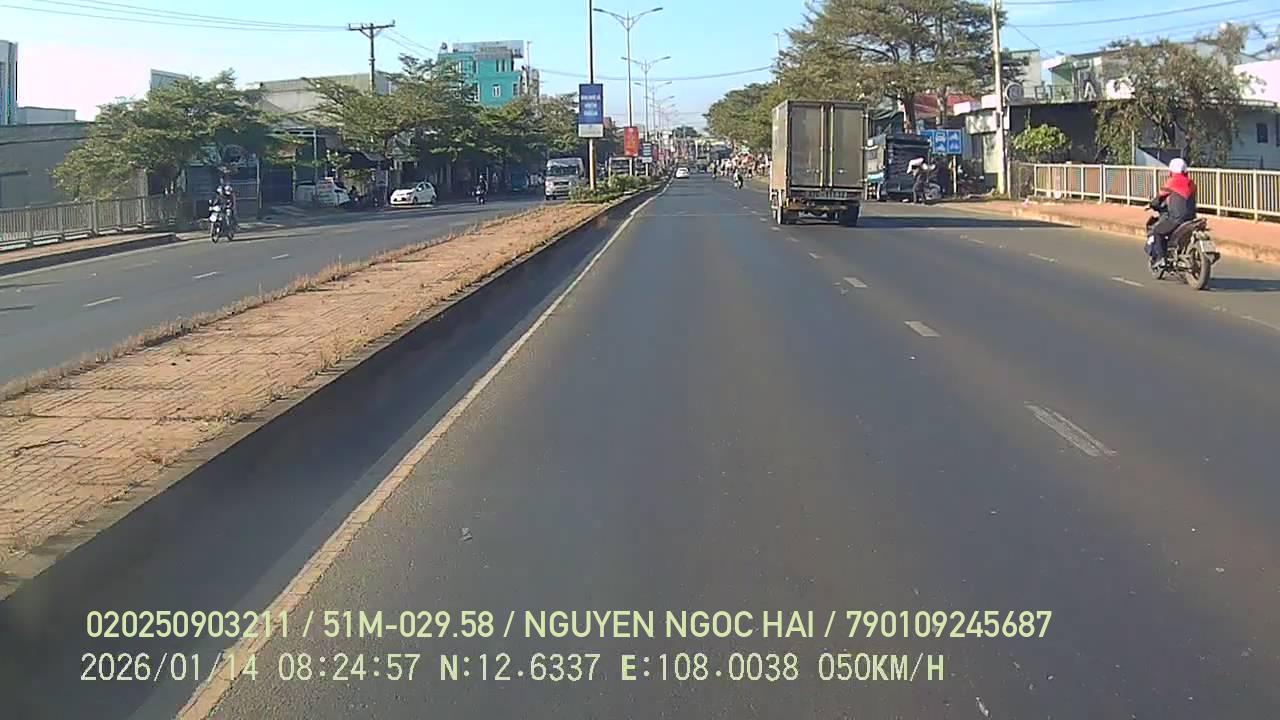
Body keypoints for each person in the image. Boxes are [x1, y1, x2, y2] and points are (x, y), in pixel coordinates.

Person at [1147, 157, 1197, 268]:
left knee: (1157, 231)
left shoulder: (1172, 182)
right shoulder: (1191, 183)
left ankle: (1161, 258)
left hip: (1176, 219)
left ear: (1171, 171)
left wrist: (1152, 204)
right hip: (1191, 218)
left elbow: (1159, 197)